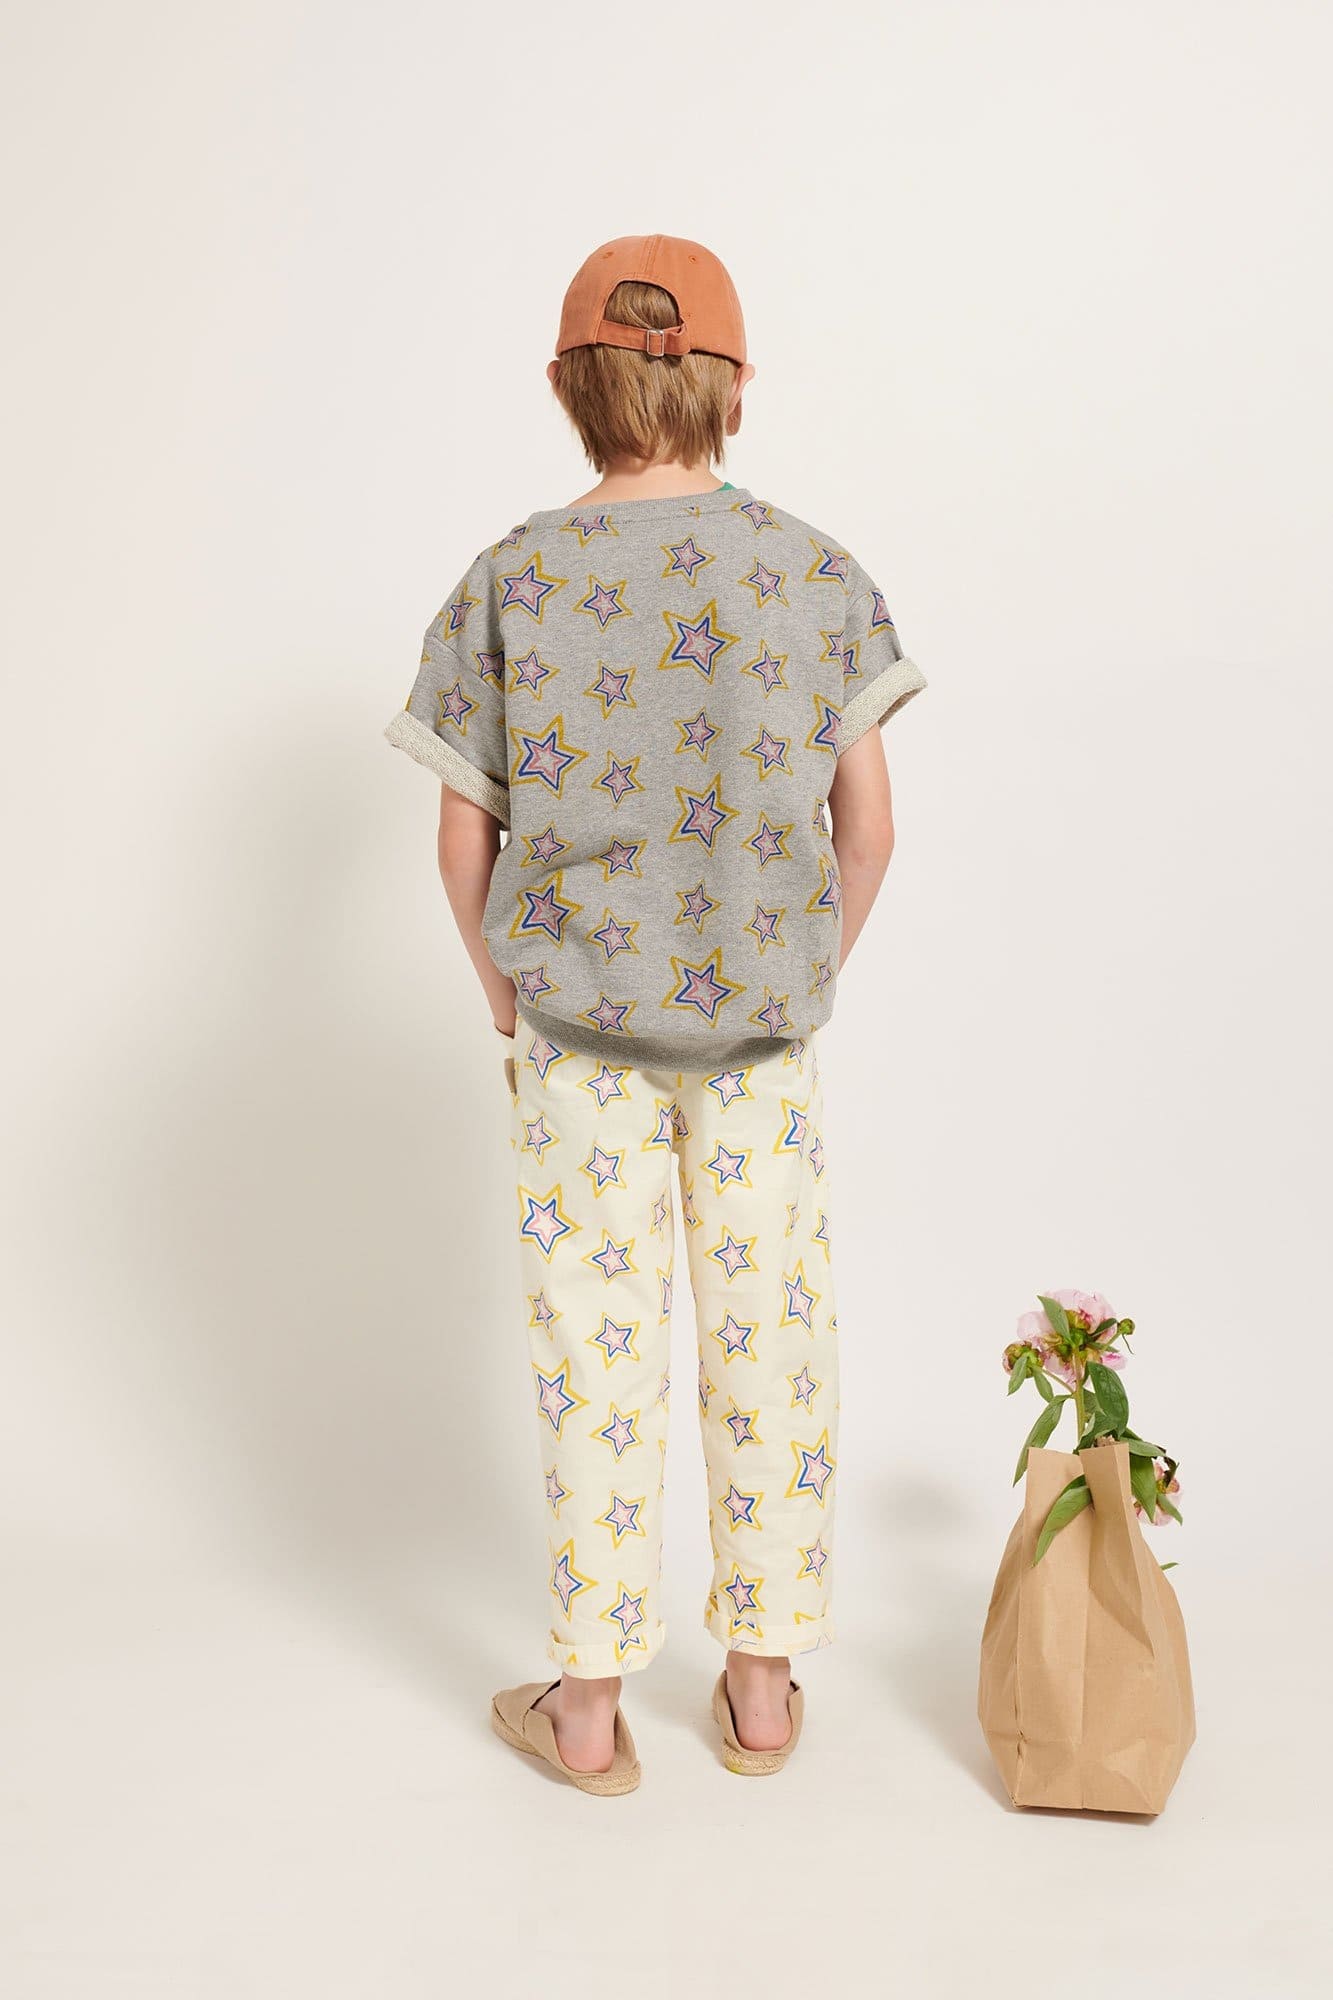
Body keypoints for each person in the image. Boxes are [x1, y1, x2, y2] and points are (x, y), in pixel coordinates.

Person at [385, 235, 926, 1794]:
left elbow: (461, 844)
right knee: (772, 1342)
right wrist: (802, 974)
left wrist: (509, 997)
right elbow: (869, 830)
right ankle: (758, 1688)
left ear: (569, 388)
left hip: (579, 1047)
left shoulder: (511, 577)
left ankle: (584, 1705)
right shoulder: (814, 573)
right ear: (735, 389)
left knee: (594, 1352)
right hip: (758, 1048)